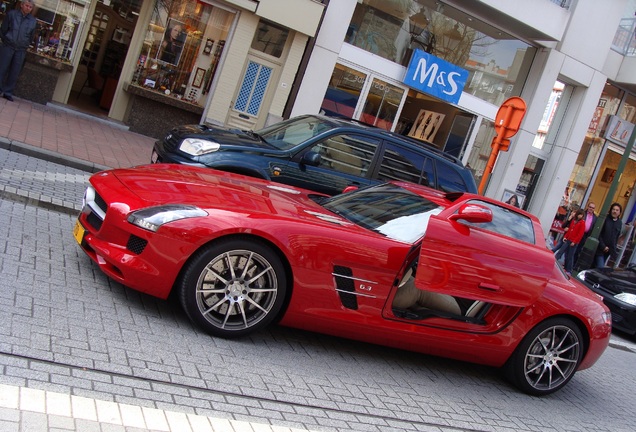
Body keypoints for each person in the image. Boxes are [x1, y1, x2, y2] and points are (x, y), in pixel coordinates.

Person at [0, 0, 36, 102]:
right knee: (2, 68)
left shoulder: (33, 21)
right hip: (8, 46)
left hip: (21, 49)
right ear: (21, 5)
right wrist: (7, 39)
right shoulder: (12, 14)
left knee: (14, 72)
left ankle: (8, 92)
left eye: (30, 7)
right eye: (26, 5)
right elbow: (3, 30)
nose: (28, 8)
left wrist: (24, 44)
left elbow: (31, 37)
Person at [553, 209, 585, 274]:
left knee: (570, 256)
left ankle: (569, 270)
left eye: (581, 215)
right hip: (568, 239)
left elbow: (580, 234)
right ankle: (553, 261)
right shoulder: (573, 221)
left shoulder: (582, 223)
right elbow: (570, 230)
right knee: (560, 251)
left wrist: (574, 241)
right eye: (579, 214)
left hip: (573, 241)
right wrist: (565, 237)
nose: (580, 216)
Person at [594, 202, 623, 268]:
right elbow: (599, 233)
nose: (615, 211)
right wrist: (603, 246)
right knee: (600, 267)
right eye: (613, 209)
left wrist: (613, 249)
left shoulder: (619, 222)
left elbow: (616, 237)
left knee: (597, 268)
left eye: (617, 210)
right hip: (599, 249)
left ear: (619, 212)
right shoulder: (605, 219)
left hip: (609, 250)